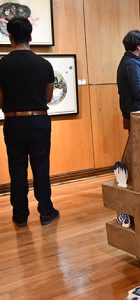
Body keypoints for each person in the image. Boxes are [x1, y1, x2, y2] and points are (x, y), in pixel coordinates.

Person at [0, 17, 59, 227]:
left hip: (13, 122)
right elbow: (48, 97)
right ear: (31, 37)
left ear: (10, 37)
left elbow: (0, 100)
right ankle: (46, 211)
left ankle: (20, 216)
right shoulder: (44, 65)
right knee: (41, 167)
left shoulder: (2, 65)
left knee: (17, 169)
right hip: (40, 120)